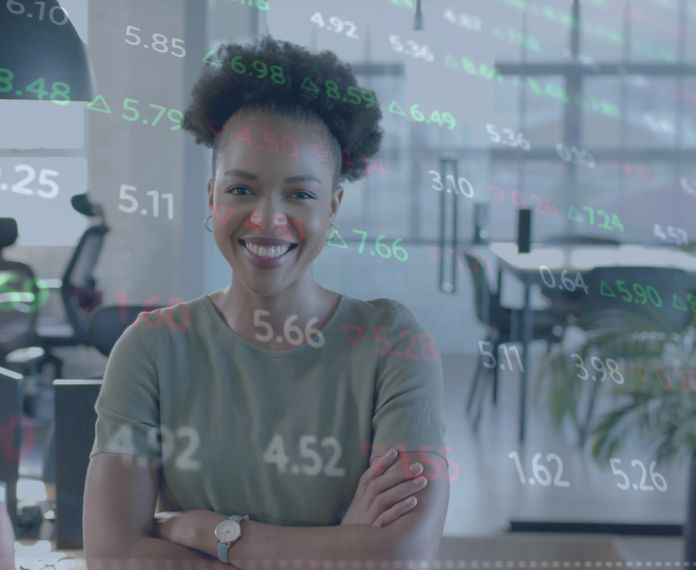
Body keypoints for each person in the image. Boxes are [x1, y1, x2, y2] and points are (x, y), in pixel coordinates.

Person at [84, 37, 449, 569]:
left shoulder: (393, 343)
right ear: (212, 196)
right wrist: (338, 551)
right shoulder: (152, 348)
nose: (267, 220)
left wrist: (212, 532)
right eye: (241, 190)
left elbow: (400, 558)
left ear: (333, 206)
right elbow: (114, 557)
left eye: (300, 195)